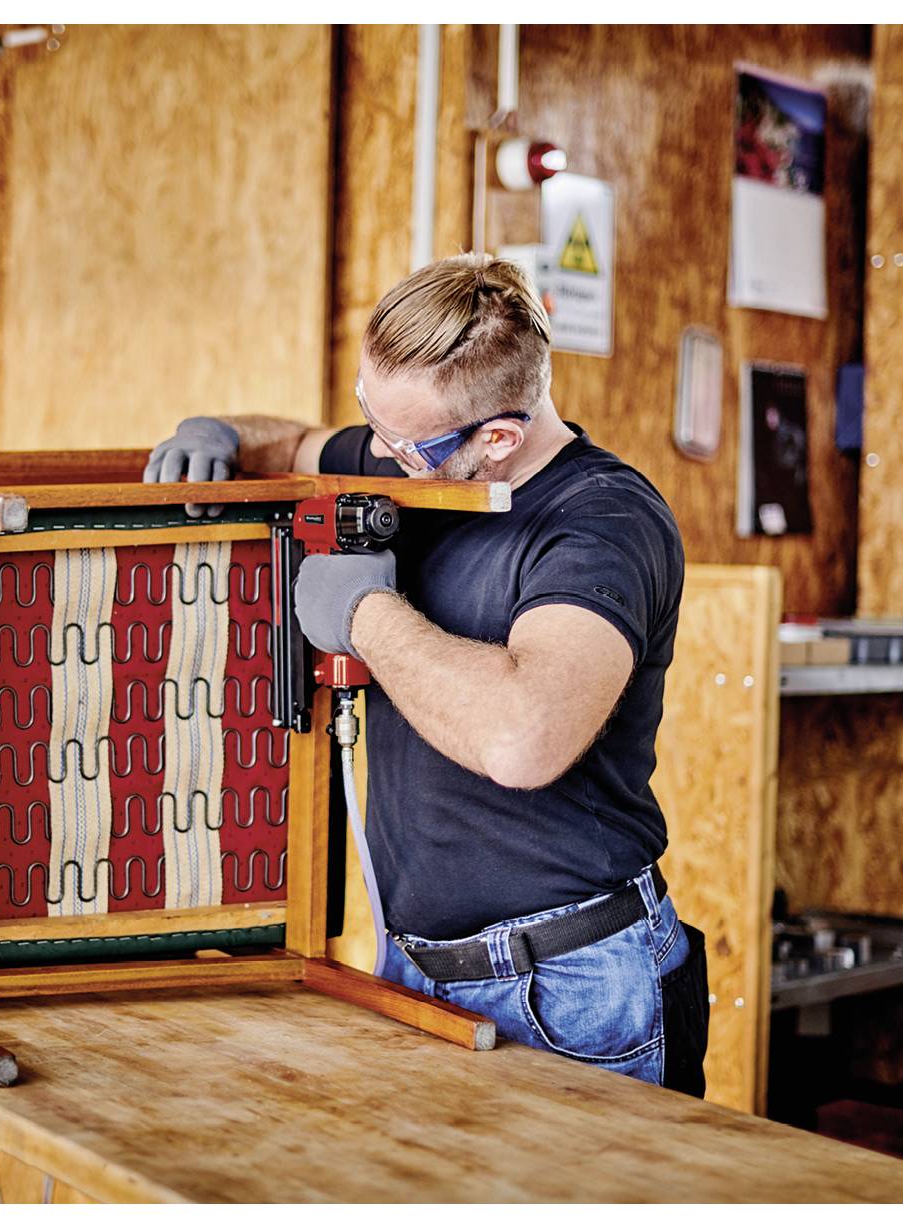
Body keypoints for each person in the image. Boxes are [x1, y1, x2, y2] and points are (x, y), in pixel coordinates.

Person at [142, 252, 708, 1093]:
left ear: (499, 437)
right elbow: (291, 441)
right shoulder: (408, 452)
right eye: (371, 413)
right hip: (414, 969)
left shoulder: (603, 524)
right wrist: (215, 433)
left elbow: (525, 739)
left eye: (405, 442)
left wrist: (364, 615)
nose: (377, 450)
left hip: (570, 986)